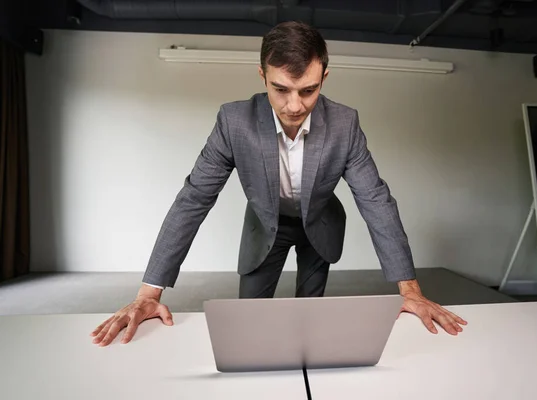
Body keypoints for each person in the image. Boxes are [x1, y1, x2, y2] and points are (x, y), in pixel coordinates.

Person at [91, 21, 467, 347]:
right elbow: (193, 199)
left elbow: (375, 199)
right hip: (265, 224)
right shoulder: (233, 122)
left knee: (309, 315)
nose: (294, 105)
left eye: (308, 90)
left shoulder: (344, 123)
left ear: (324, 78)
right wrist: (147, 293)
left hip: (319, 222)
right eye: (281, 89)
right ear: (262, 76)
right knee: (250, 321)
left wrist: (410, 290)